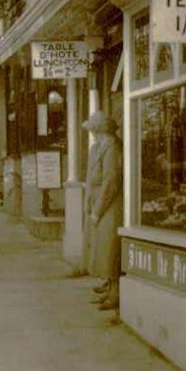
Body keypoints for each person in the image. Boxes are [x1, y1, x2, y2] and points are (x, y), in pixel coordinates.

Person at [82, 110, 123, 310]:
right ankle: (110, 288)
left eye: (92, 129)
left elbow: (110, 182)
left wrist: (97, 210)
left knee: (110, 250)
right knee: (103, 248)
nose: (91, 133)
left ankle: (115, 293)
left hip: (109, 205)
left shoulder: (111, 148)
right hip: (99, 202)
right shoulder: (100, 147)